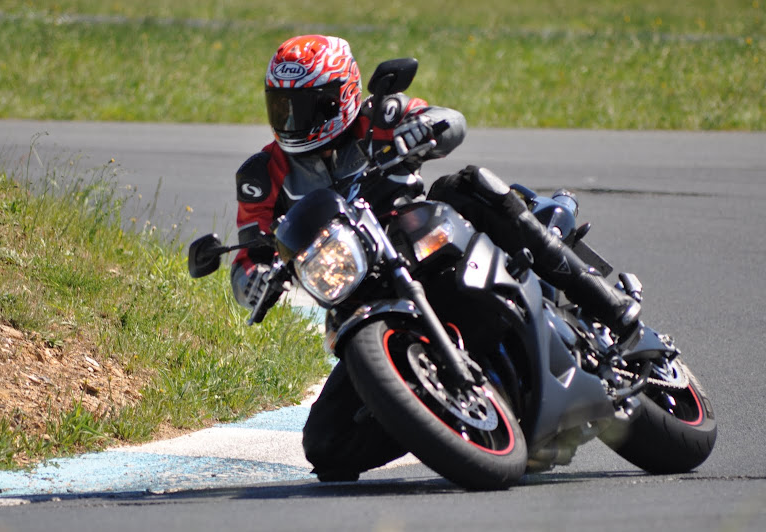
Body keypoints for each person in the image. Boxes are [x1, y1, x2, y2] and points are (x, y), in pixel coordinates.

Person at [230, 35, 641, 481]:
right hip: (360, 288)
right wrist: (250, 279)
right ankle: (438, 419)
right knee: (326, 446)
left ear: (344, 96)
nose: (295, 120)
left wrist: (424, 128)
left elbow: (449, 120)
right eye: (283, 106)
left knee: (464, 185)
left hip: (418, 238)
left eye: (312, 106)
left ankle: (600, 298)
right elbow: (249, 251)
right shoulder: (260, 174)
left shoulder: (379, 115)